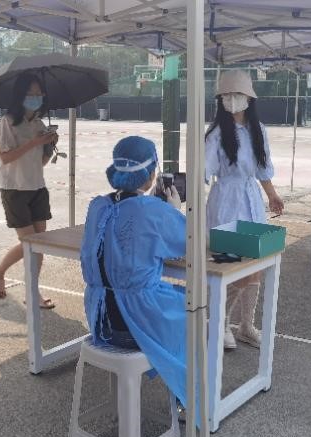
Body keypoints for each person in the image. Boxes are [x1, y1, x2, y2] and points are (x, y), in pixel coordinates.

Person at [80, 135, 189, 407]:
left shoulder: (98, 205)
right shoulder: (153, 211)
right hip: (136, 327)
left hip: (100, 322)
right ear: (151, 176)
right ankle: (185, 396)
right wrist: (173, 210)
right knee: (194, 311)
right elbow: (186, 242)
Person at [205, 69, 284, 350]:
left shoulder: (258, 130)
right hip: (226, 201)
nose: (231, 99)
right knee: (229, 265)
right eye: (226, 95)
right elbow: (204, 169)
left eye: (236, 94)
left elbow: (262, 168)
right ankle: (220, 322)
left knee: (255, 265)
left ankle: (246, 326)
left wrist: (272, 195)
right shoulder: (215, 134)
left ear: (249, 98)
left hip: (251, 199)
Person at [0, 73, 58, 308]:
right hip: (15, 189)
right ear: (20, 95)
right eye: (31, 93)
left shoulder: (39, 124)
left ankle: (31, 290)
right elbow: (5, 157)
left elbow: (40, 163)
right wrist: (34, 143)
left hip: (37, 187)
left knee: (39, 244)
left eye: (39, 94)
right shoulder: (8, 122)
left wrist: (49, 146)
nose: (35, 98)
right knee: (30, 243)